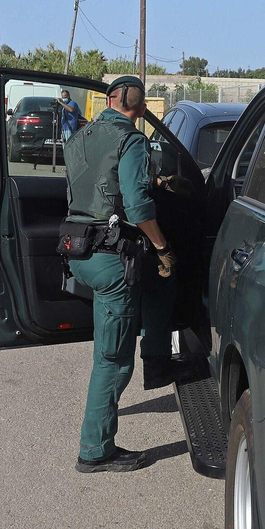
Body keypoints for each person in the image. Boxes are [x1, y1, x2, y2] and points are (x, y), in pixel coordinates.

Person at [62, 76, 177, 473]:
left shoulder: (79, 136)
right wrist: (162, 248)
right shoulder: (133, 140)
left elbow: (92, 187)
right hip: (113, 260)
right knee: (114, 361)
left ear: (108, 100)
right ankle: (95, 451)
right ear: (142, 109)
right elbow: (139, 208)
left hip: (78, 250)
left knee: (106, 347)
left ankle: (158, 358)